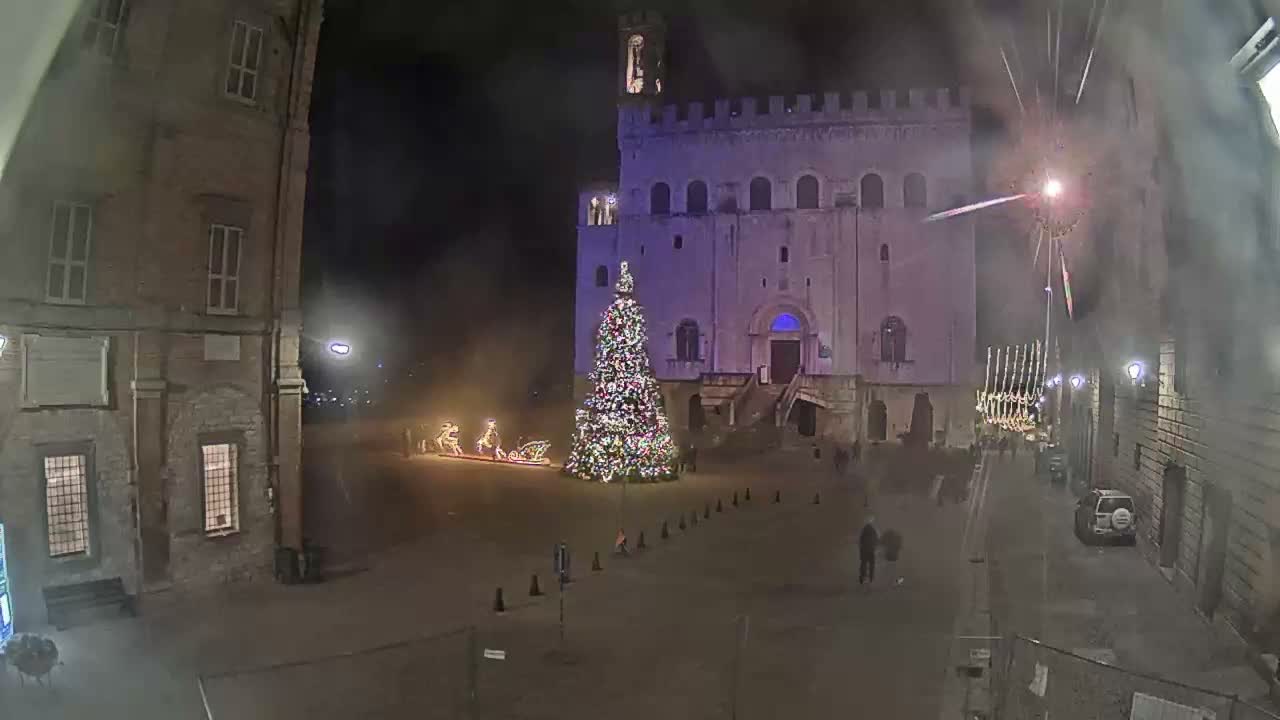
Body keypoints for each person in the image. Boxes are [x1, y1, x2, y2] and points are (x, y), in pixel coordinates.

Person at [859, 516, 879, 586]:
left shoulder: (863, 530)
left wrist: (861, 547)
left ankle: (862, 577)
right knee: (871, 564)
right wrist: (875, 546)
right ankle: (871, 577)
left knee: (863, 563)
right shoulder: (874, 530)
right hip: (871, 550)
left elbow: (861, 540)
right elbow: (876, 540)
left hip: (864, 550)